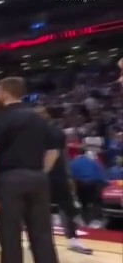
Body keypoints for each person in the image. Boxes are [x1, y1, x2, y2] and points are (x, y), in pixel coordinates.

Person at [0, 77, 63, 263]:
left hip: (10, 181)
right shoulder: (38, 118)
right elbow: (54, 150)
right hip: (38, 180)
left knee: (10, 236)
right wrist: (40, 173)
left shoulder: (0, 117)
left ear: (5, 93)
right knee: (43, 236)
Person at [35, 106, 92, 255]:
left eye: (42, 113)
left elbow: (63, 155)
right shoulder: (30, 133)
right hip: (37, 174)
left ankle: (73, 239)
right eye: (37, 114)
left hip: (56, 174)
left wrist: (68, 175)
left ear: (48, 115)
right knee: (38, 208)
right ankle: (38, 240)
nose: (40, 116)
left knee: (67, 206)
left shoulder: (55, 131)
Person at [69, 148, 108, 228]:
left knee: (84, 203)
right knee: (95, 202)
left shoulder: (73, 163)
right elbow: (101, 176)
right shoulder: (92, 162)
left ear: (76, 155)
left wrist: (73, 194)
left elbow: (71, 179)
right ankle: (94, 219)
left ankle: (85, 220)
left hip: (82, 184)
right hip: (95, 184)